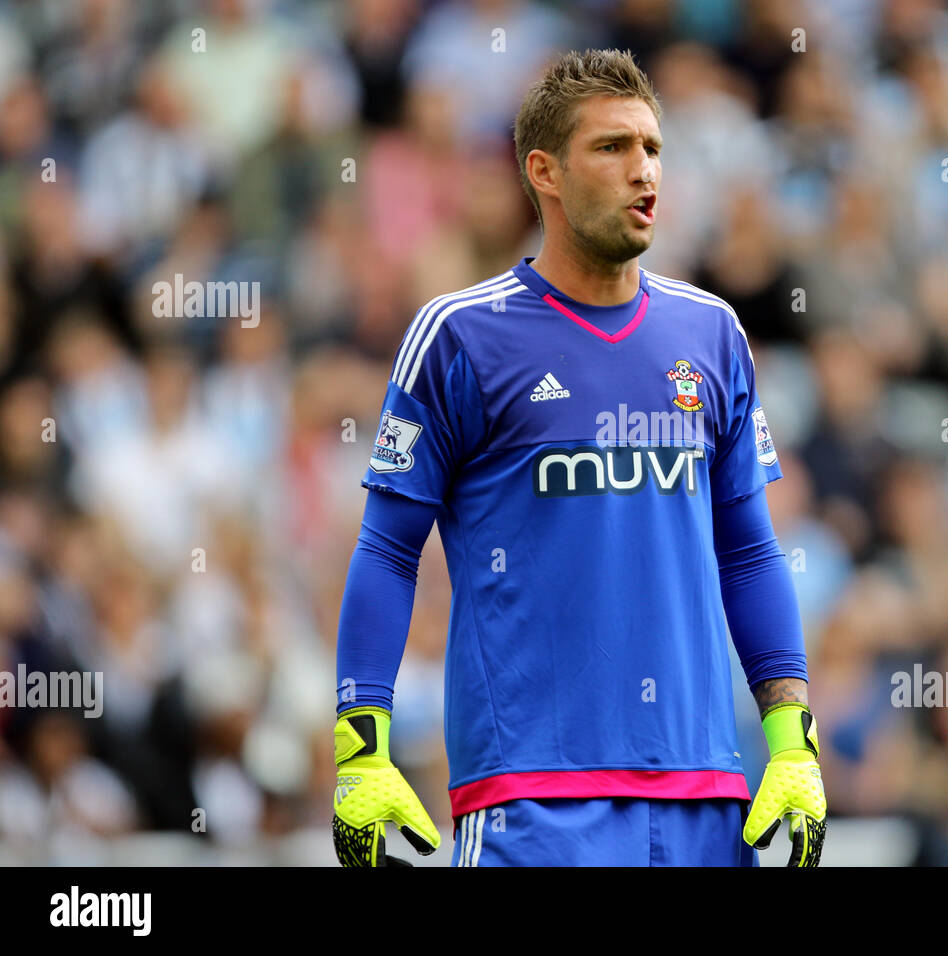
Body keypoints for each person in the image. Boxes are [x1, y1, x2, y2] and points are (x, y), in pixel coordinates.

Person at [332, 48, 825, 867]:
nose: (644, 172)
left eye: (653, 149)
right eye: (613, 148)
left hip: (707, 800)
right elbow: (387, 550)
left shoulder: (712, 335)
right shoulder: (459, 336)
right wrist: (361, 749)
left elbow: (748, 552)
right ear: (545, 172)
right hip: (533, 804)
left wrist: (793, 741)